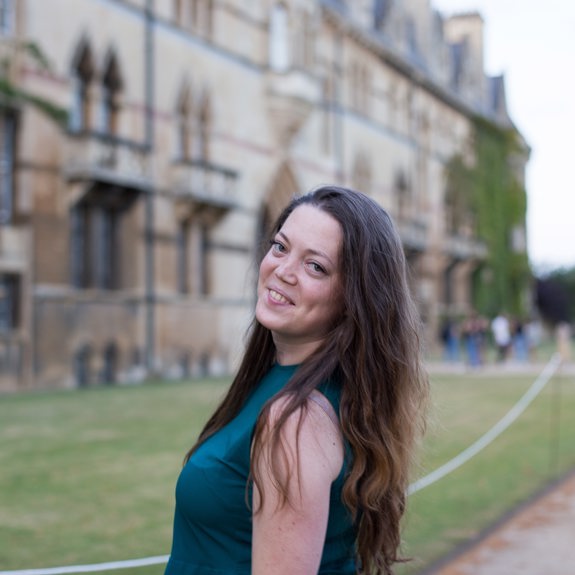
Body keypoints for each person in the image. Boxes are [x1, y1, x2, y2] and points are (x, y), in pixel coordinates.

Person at [164, 185, 429, 575]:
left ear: (353, 297)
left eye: (315, 266)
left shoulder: (295, 420)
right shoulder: (291, 385)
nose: (283, 271)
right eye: (280, 247)